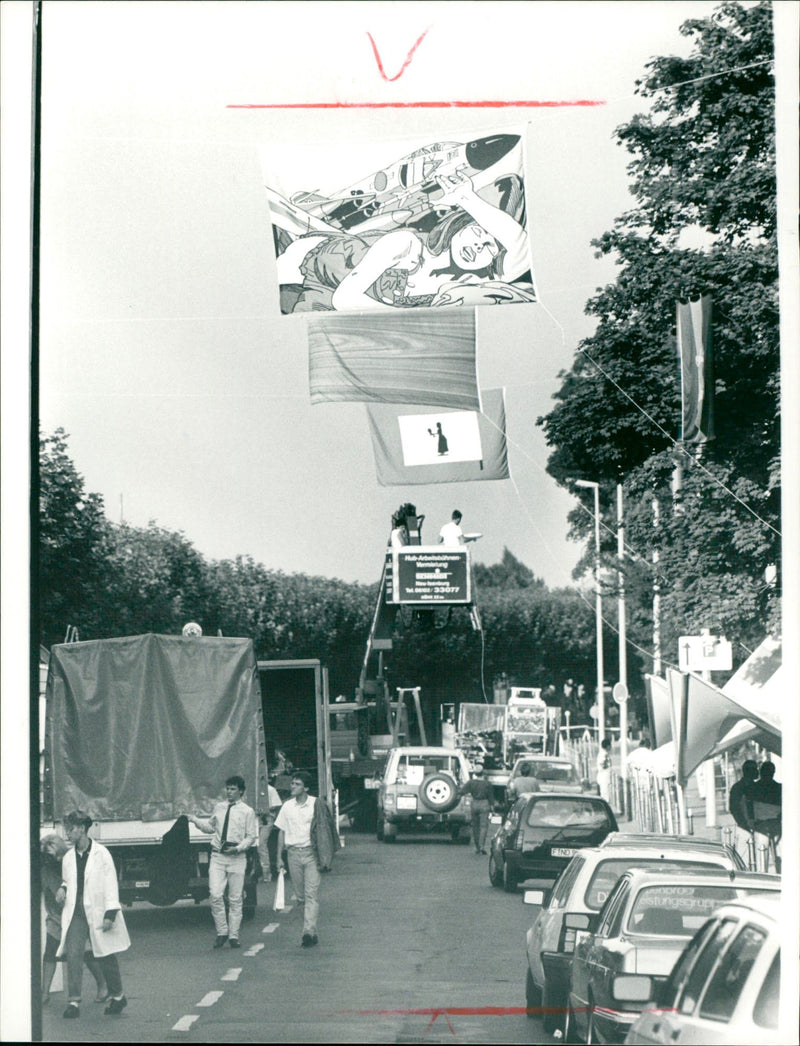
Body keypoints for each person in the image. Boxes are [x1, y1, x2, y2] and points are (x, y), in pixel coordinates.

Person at [278, 170, 533, 313]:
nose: (479, 247)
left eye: (490, 246)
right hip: (304, 263)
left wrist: (470, 200)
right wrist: (466, 199)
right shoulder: (407, 245)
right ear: (458, 225)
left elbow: (520, 249)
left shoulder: (475, 281)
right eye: (477, 232)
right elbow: (344, 299)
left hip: (321, 302)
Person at [55, 812, 130, 1020]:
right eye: (66, 829)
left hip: (97, 910)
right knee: (73, 954)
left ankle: (118, 996)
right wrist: (63, 888)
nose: (67, 834)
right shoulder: (69, 857)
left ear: (81, 828)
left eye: (70, 829)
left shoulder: (102, 854)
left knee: (105, 954)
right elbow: (69, 880)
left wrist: (110, 913)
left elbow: (110, 884)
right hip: (76, 912)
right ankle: (73, 1001)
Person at [189, 775, 258, 949]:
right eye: (228, 788)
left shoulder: (247, 811)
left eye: (233, 789)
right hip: (218, 856)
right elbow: (210, 828)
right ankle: (222, 931)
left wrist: (239, 848)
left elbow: (251, 836)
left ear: (241, 791)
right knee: (215, 894)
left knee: (235, 898)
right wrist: (195, 820)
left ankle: (234, 936)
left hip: (236, 857)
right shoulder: (219, 807)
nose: (229, 792)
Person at [40, 833, 107, 1007]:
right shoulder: (45, 869)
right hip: (55, 916)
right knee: (50, 953)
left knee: (83, 952)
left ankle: (103, 985)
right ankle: (44, 992)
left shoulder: (71, 863)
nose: (47, 860)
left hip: (74, 914)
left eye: (50, 856)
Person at [274, 772, 337, 948]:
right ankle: (311, 929)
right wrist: (279, 857)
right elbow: (281, 831)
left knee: (311, 894)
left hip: (311, 854)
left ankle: (308, 931)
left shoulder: (316, 804)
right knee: (301, 897)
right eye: (292, 783)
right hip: (292, 854)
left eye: (297, 784)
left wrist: (325, 854)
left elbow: (326, 828)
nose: (292, 786)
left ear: (306, 788)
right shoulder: (286, 806)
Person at [458, 764, 493, 854]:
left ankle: (477, 846)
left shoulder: (471, 782)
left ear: (475, 773)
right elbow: (491, 797)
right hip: (484, 803)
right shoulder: (487, 784)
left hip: (474, 803)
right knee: (484, 826)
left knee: (475, 826)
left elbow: (461, 792)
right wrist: (492, 807)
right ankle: (482, 846)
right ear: (483, 773)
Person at [257, 781, 284, 882]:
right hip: (253, 820)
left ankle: (266, 873)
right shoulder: (250, 789)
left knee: (261, 844)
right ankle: (255, 871)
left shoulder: (270, 789)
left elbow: (277, 805)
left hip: (266, 820)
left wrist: (264, 809)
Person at [596, 738, 612, 802]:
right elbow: (602, 765)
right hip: (604, 776)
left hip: (603, 776)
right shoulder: (604, 754)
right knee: (605, 795)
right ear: (608, 746)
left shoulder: (603, 753)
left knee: (605, 793)